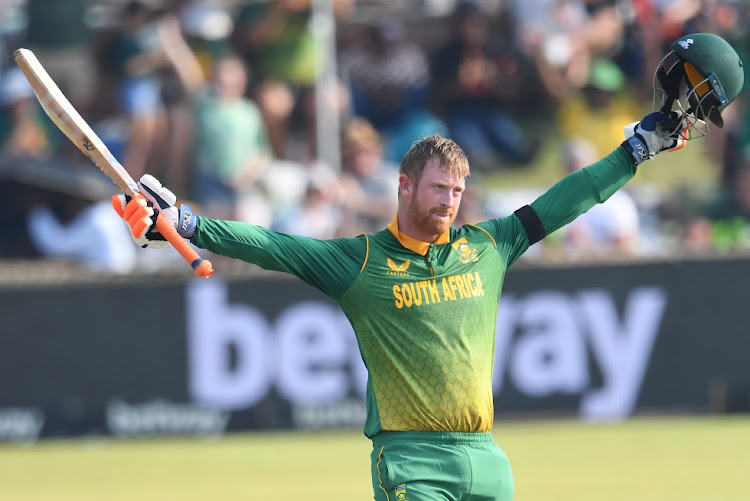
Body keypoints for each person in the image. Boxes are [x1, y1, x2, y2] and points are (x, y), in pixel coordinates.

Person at [113, 33, 742, 501]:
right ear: (406, 187)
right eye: (439, 188)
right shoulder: (358, 262)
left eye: (459, 190)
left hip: (488, 462)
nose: (450, 201)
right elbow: (271, 244)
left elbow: (563, 200)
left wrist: (634, 151)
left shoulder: (488, 246)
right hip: (412, 464)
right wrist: (185, 221)